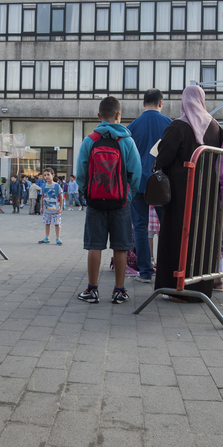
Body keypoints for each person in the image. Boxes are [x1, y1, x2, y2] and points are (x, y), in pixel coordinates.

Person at [154, 85, 223, 301]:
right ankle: (202, 289)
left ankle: (176, 288)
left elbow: (163, 157)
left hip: (181, 194)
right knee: (202, 237)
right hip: (208, 195)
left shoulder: (178, 126)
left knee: (178, 236)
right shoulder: (215, 127)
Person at [76, 96, 141, 304]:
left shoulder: (90, 140)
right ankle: (119, 291)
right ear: (119, 115)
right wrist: (127, 196)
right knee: (120, 247)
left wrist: (87, 193)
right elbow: (136, 173)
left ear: (99, 116)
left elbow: (81, 173)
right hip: (120, 202)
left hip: (95, 201)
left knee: (94, 245)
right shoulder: (127, 141)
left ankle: (92, 290)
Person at [126, 88, 172, 284]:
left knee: (140, 227)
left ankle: (145, 271)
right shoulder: (170, 124)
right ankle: (167, 268)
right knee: (167, 226)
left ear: (143, 103)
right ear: (161, 103)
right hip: (162, 183)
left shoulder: (133, 126)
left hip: (138, 183)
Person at [38, 168, 64, 244]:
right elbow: (42, 196)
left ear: (53, 175)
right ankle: (47, 237)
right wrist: (41, 207)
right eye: (45, 175)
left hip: (55, 209)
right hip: (46, 209)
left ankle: (58, 238)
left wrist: (61, 207)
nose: (46, 176)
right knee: (47, 223)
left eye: (48, 175)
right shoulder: (43, 186)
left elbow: (61, 197)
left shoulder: (57, 186)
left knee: (57, 224)